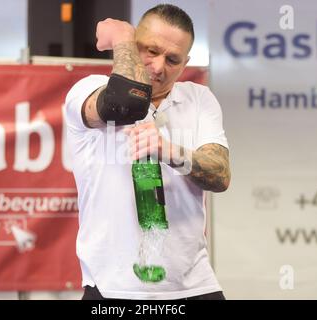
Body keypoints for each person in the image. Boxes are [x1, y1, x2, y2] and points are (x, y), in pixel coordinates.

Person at [65, 4, 231, 300]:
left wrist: (169, 151)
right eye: (150, 51)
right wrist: (122, 36)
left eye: (172, 59)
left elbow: (219, 175)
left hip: (194, 286)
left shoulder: (198, 99)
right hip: (114, 288)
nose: (158, 67)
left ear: (186, 62)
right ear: (133, 43)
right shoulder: (88, 89)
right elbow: (124, 104)